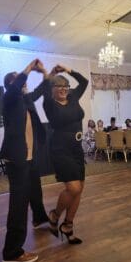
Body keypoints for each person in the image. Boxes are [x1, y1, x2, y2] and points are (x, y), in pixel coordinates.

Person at [0, 59, 48, 262]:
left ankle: (39, 218)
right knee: (18, 205)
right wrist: (29, 68)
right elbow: (17, 85)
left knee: (32, 194)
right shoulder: (9, 100)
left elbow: (39, 90)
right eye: (20, 83)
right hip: (17, 160)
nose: (24, 86)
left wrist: (46, 72)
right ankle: (12, 252)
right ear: (12, 85)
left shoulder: (25, 101)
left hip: (29, 158)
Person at [41, 62, 88, 244]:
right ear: (52, 89)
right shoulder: (49, 104)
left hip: (77, 148)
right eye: (58, 86)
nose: (62, 89)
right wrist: (50, 74)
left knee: (79, 190)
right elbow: (44, 89)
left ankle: (68, 225)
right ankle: (54, 214)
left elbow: (83, 82)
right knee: (73, 188)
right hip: (60, 149)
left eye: (65, 86)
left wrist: (68, 69)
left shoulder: (73, 96)